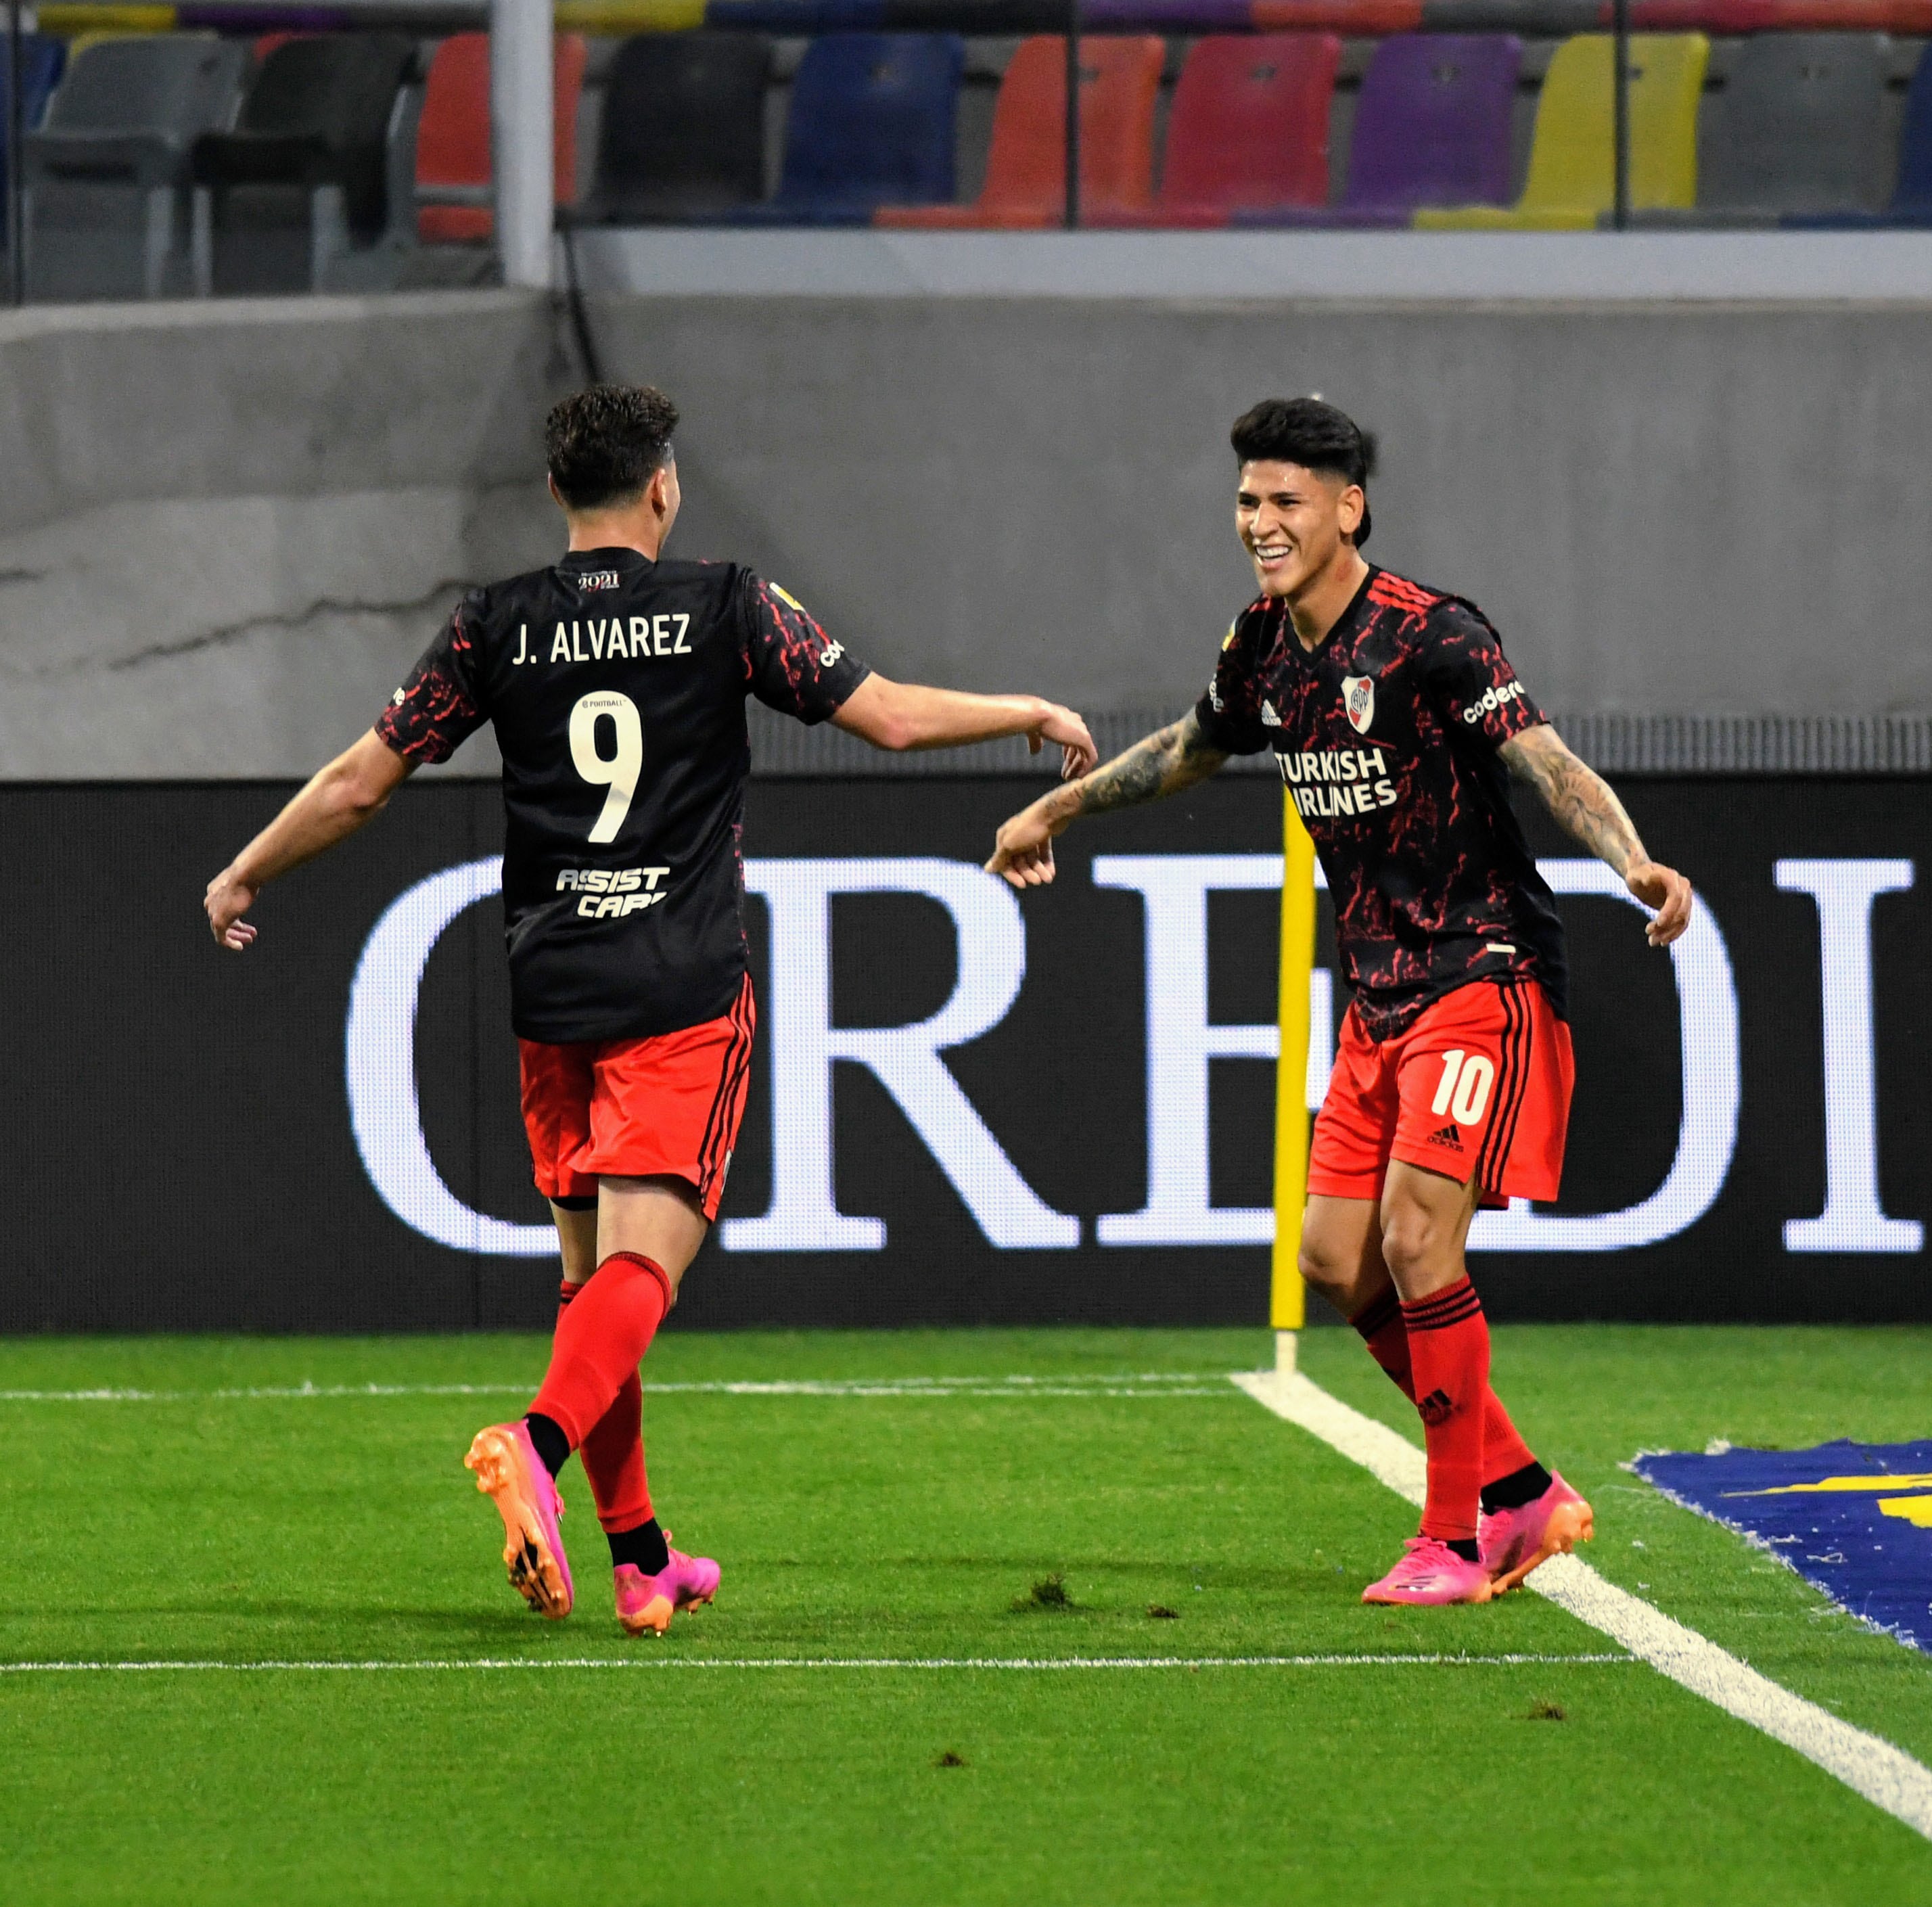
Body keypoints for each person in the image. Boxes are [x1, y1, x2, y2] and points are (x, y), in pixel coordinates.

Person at [204, 384, 1097, 1635]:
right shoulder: (725, 603)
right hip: (676, 984)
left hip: (552, 988)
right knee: (643, 1274)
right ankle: (534, 1443)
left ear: (558, 494)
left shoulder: (494, 624)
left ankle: (640, 1556)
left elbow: (361, 783)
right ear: (663, 486)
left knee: (592, 1295)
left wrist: (247, 866)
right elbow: (886, 717)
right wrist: (1031, 712)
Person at [990, 396, 1693, 1606]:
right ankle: (1521, 1493)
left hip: (1482, 973)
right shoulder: (1261, 644)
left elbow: (1542, 757)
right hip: (1375, 998)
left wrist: (1630, 859)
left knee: (1418, 1239)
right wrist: (1055, 808)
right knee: (1333, 1258)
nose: (1259, 523)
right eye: (1249, 502)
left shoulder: (1433, 635)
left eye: (1285, 502)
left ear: (1347, 508)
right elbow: (1194, 748)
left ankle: (1453, 1536)